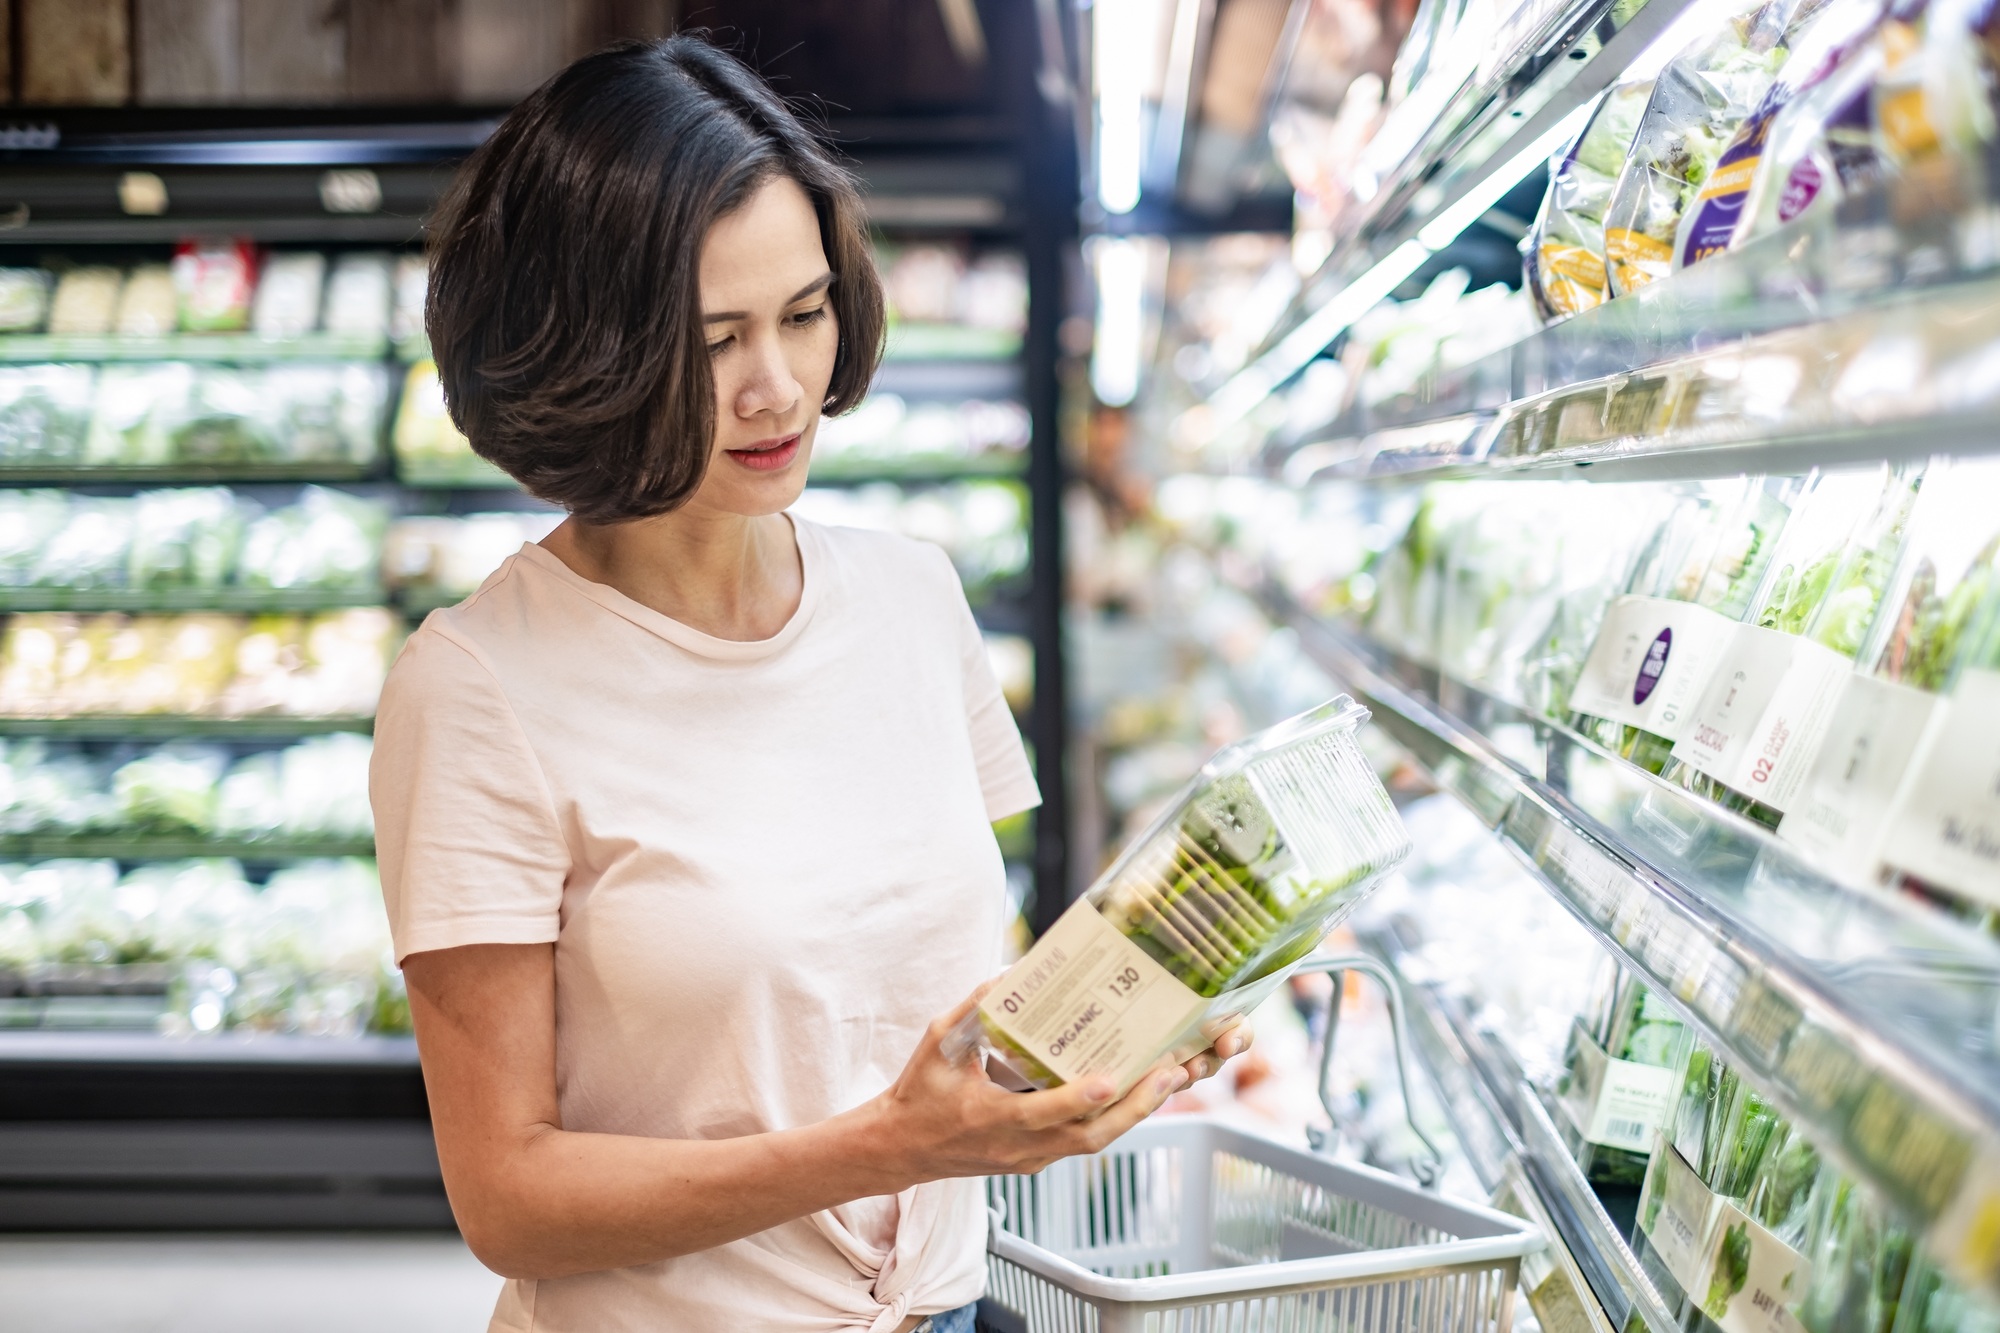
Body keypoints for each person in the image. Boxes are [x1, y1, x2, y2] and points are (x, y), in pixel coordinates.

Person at [368, 35, 1251, 1333]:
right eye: (713, 337)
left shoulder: (910, 596)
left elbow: (898, 992)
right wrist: (890, 1143)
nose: (779, 387)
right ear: (588, 350)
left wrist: (1133, 1007)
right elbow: (508, 1195)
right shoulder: (480, 687)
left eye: (803, 311)